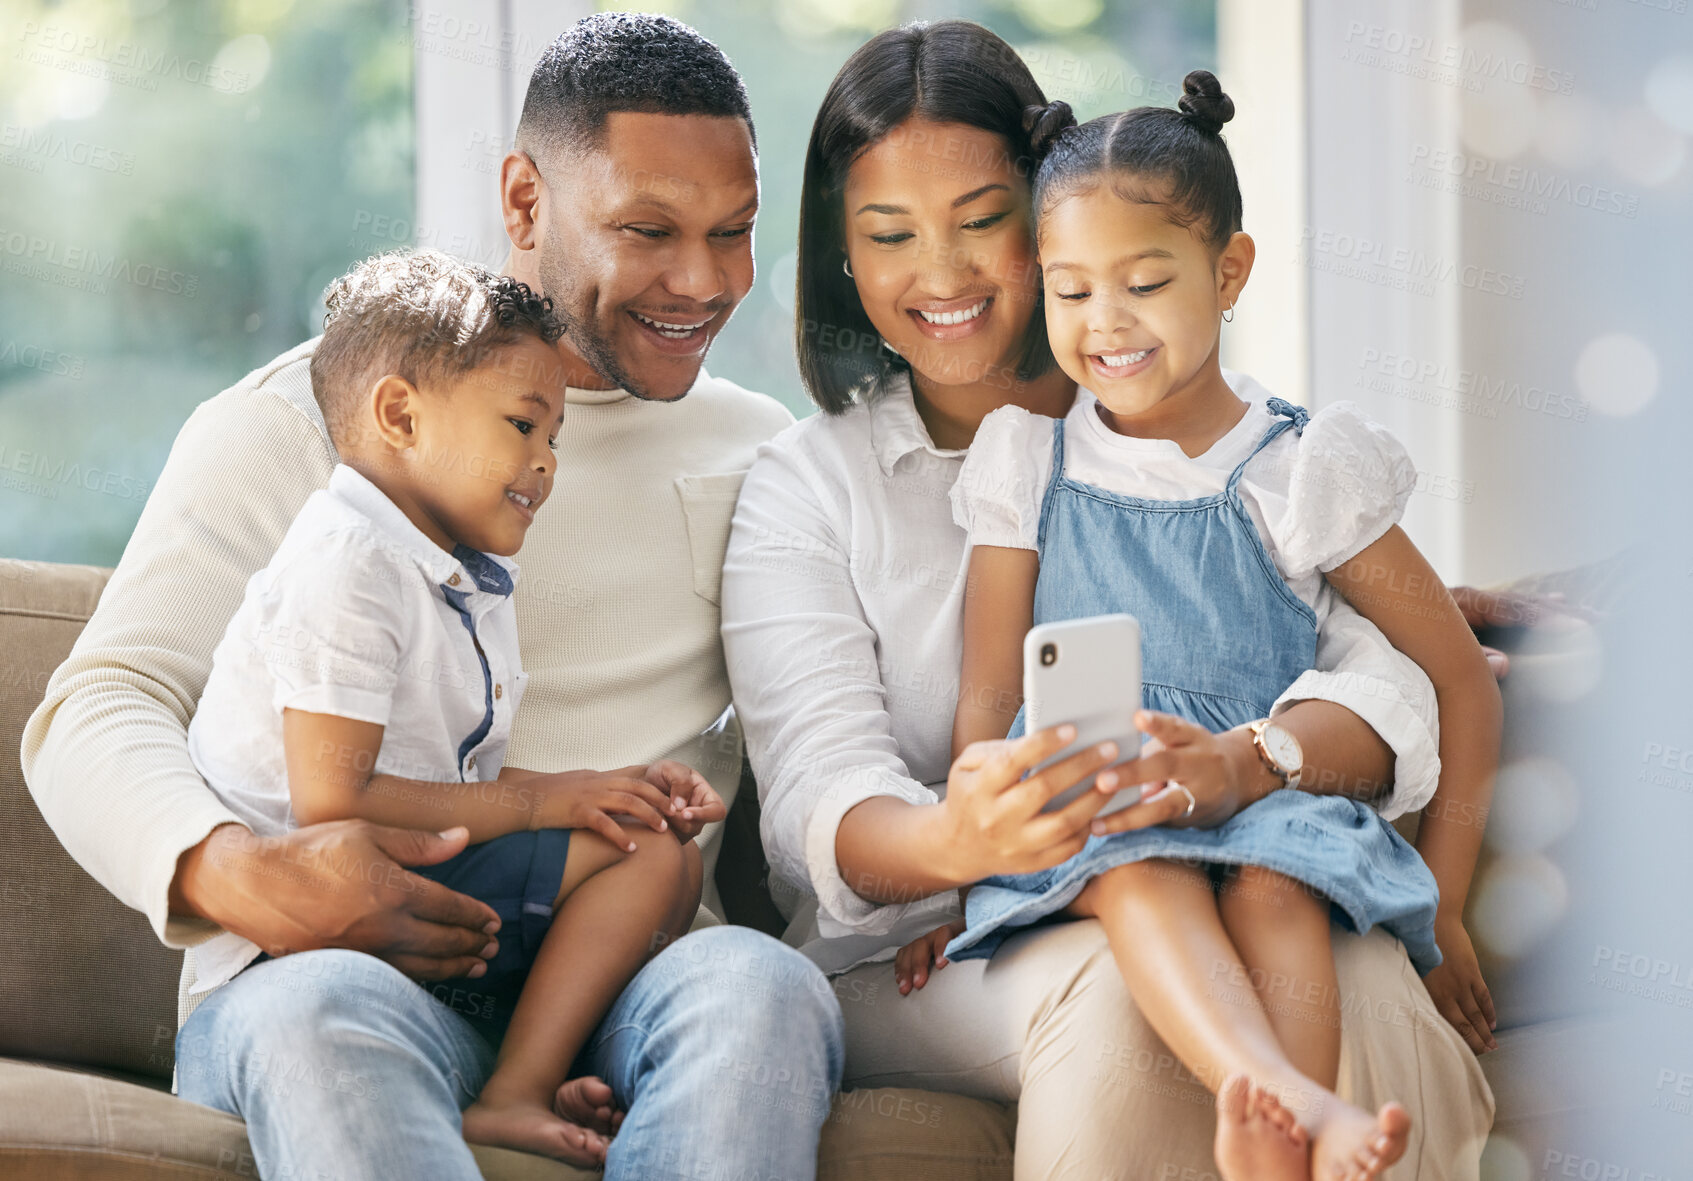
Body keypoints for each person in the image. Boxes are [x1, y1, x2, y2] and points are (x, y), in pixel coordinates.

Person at [21, 15, 842, 1181]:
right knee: (318, 1023)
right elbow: (101, 700)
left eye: (734, 233)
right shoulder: (316, 421)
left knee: (762, 988)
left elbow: (848, 721)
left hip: (622, 969)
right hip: (335, 967)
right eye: (647, 230)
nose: (704, 281)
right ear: (523, 201)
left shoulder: (767, 458)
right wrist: (231, 868)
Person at [722, 20, 1494, 1181]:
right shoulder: (817, 484)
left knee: (1343, 950)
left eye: (984, 221)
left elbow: (1386, 672)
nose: (940, 273)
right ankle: (1270, 1098)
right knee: (1125, 979)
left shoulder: (1252, 453)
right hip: (932, 949)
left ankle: (1302, 1133)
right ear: (842, 251)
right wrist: (958, 846)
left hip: (1235, 835)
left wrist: (1263, 757)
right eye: (888, 235)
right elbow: (822, 793)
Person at [185, 249, 728, 1166]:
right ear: (400, 414)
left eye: (554, 437)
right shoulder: (349, 562)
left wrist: (589, 786)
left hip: (412, 881)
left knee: (655, 851)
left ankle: (517, 1079)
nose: (545, 463)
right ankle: (516, 1088)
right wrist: (538, 804)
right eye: (523, 425)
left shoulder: (454, 577)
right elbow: (334, 804)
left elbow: (444, 780)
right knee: (649, 855)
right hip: (313, 927)